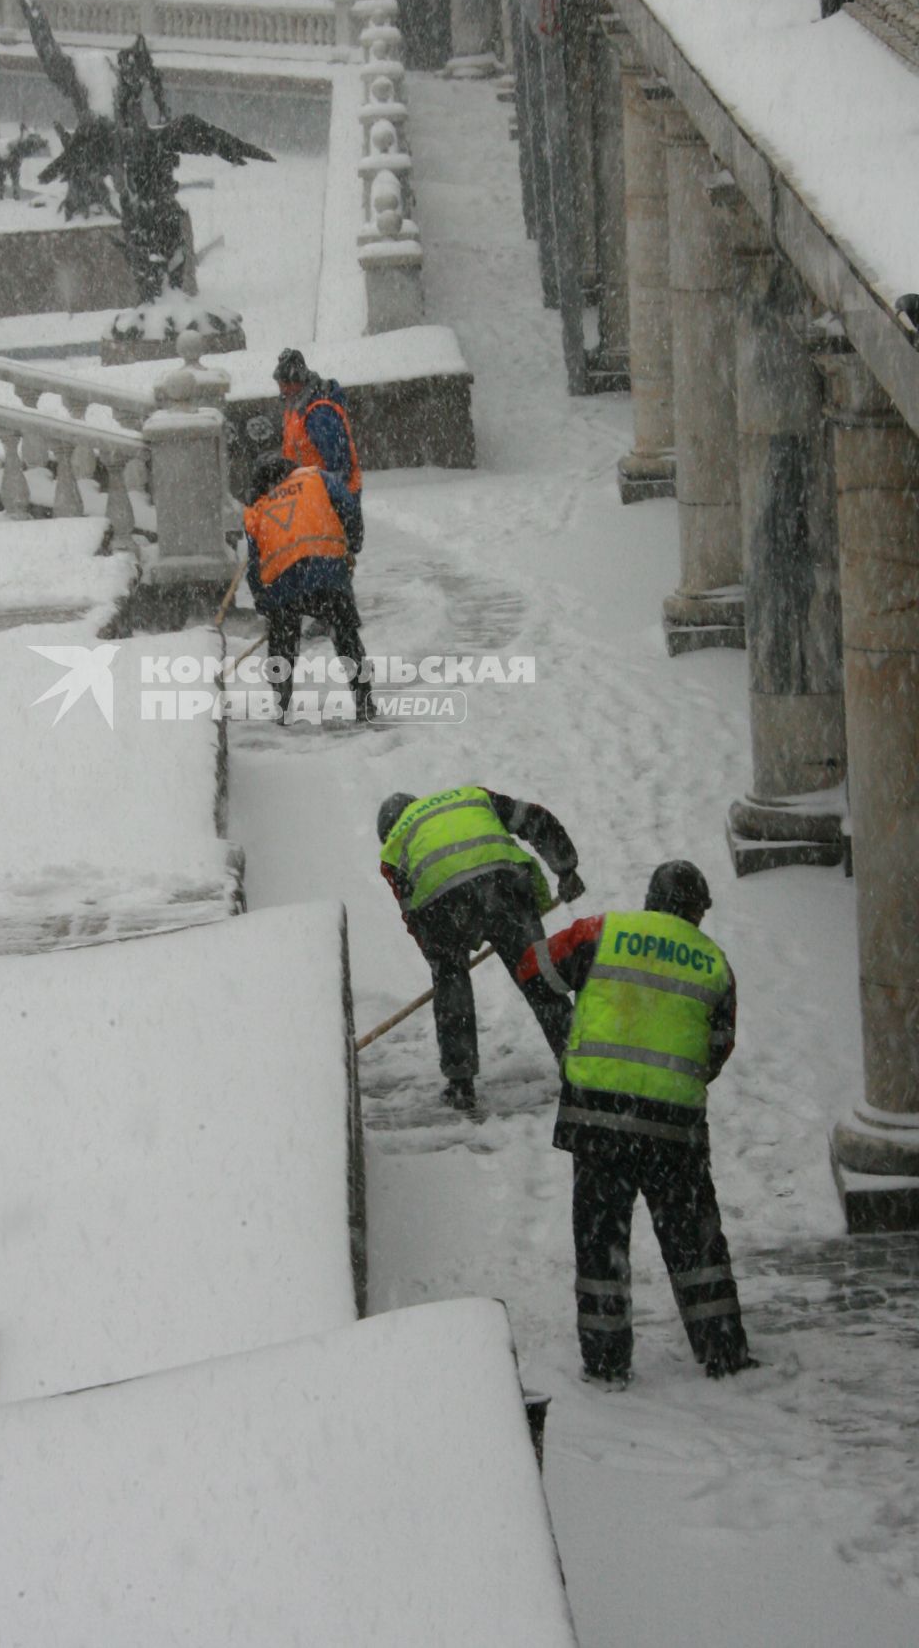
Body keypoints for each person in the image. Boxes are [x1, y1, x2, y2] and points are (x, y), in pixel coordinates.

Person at [516, 859, 755, 1387]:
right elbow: (719, 1046)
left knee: (601, 1241)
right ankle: (722, 1351)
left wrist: (569, 1036)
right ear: (696, 910)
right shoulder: (715, 963)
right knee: (694, 1238)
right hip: (674, 1126)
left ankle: (606, 1363)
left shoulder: (602, 932)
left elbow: (533, 967)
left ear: (651, 899)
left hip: (598, 1117)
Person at [377, 786, 585, 1109]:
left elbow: (412, 913)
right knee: (537, 976)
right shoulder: (471, 796)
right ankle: (583, 1070)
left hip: (445, 905)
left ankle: (461, 1086)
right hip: (506, 888)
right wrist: (566, 868)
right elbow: (534, 818)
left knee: (452, 987)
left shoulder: (393, 845)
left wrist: (444, 963)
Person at [243, 453, 374, 723]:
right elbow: (347, 504)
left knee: (282, 643)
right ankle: (364, 702)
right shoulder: (316, 477)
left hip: (283, 583)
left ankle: (281, 706)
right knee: (346, 636)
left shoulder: (258, 509)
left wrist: (265, 604)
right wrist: (353, 541)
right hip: (326, 569)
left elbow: (255, 566)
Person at [274, 348, 363, 497]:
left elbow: (340, 469)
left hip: (332, 498)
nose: (281, 390)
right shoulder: (295, 407)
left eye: (284, 385)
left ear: (297, 382)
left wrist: (327, 496)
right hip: (309, 495)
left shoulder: (320, 414)